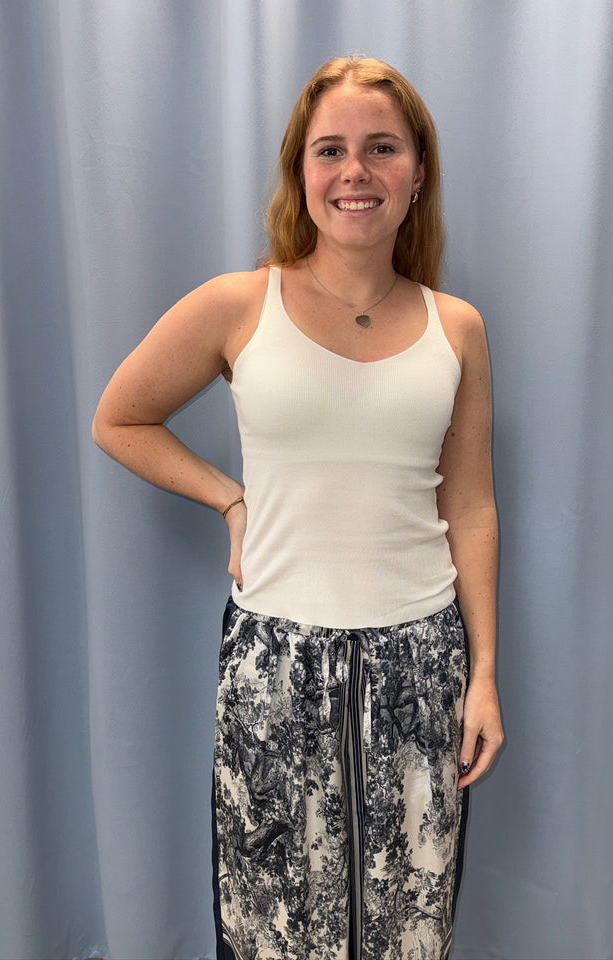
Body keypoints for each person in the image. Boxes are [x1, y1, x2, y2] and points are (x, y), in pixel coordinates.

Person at [93, 55, 503, 960]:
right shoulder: (242, 306)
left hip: (422, 664)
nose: (355, 172)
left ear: (418, 171)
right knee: (272, 926)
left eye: (381, 148)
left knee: (410, 927)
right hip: (276, 669)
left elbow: (470, 504)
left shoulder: (456, 327)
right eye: (331, 151)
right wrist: (230, 497)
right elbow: (121, 417)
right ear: (301, 171)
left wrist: (483, 675)